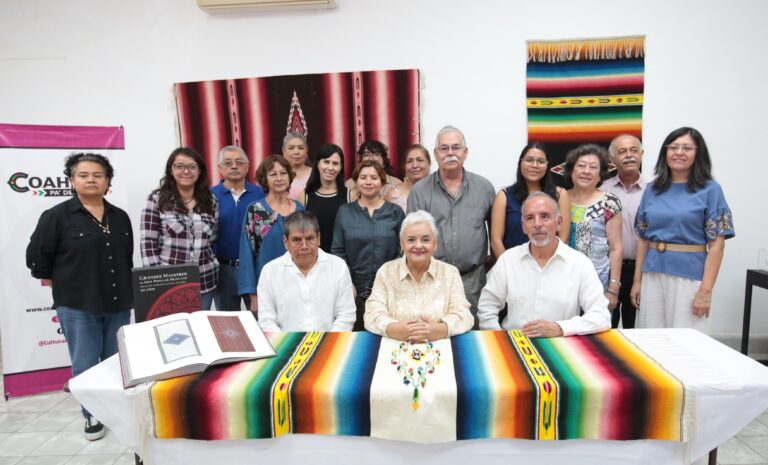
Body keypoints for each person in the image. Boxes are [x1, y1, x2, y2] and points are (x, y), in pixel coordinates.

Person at [26, 153, 133, 441]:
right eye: (83, 175)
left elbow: (126, 258)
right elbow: (36, 257)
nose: (91, 180)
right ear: (72, 181)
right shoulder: (56, 217)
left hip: (118, 302)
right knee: (86, 364)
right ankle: (92, 414)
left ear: (107, 180)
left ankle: (114, 409)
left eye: (98, 175)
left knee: (115, 362)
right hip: (78, 304)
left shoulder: (119, 216)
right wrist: (54, 280)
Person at [631, 127, 734, 332]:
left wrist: (705, 291)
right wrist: (637, 281)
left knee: (686, 342)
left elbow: (717, 245)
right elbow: (643, 239)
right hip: (652, 273)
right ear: (665, 152)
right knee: (651, 339)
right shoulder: (652, 189)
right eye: (673, 147)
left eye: (687, 148)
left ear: (698, 154)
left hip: (688, 275)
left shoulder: (710, 190)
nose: (679, 152)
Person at [478, 192, 611, 336]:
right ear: (523, 226)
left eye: (545, 216)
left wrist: (560, 328)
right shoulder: (508, 260)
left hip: (562, 344)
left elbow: (601, 317)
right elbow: (487, 307)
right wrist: (499, 339)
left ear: (559, 222)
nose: (537, 224)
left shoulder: (579, 263)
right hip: (515, 344)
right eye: (530, 218)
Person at [407, 125, 495, 323]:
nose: (450, 153)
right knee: (433, 334)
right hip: (431, 280)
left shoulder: (485, 188)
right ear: (436, 154)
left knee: (470, 336)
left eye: (456, 147)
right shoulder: (419, 191)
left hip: (472, 281)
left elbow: (496, 233)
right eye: (444, 148)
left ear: (465, 152)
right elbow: (411, 240)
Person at [365, 210, 473, 341]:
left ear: (435, 244)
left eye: (426, 240)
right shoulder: (386, 272)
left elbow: (464, 315)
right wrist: (393, 329)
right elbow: (371, 314)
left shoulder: (450, 273)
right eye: (411, 240)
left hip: (440, 349)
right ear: (401, 244)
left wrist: (441, 329)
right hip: (394, 349)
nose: (418, 245)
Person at [141, 147, 219, 309]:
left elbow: (212, 238)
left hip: (204, 280)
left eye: (192, 166)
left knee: (200, 330)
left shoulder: (211, 201)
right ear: (171, 170)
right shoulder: (157, 199)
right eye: (179, 166)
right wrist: (157, 281)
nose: (186, 171)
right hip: (170, 282)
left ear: (199, 171)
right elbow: (148, 243)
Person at [332, 160, 405, 330]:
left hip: (390, 293)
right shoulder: (345, 211)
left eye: (374, 177)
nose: (368, 182)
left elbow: (403, 251)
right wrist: (348, 282)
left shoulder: (395, 212)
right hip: (352, 293)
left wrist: (391, 280)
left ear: (382, 182)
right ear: (356, 182)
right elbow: (337, 250)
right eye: (363, 177)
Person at [257, 211, 355, 332]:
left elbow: (346, 315)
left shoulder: (338, 266)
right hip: (284, 346)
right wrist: (286, 346)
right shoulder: (270, 272)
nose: (304, 246)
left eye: (309, 238)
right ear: (285, 241)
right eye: (297, 240)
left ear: (319, 238)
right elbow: (267, 321)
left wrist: (326, 344)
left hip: (330, 345)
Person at [239, 154, 304, 313]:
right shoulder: (255, 210)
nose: (279, 178)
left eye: (283, 173)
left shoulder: (299, 209)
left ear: (290, 177)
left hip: (298, 288)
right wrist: (253, 296)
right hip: (266, 289)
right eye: (272, 174)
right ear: (264, 179)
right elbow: (246, 254)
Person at [565, 144, 622, 312]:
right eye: (581, 166)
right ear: (571, 171)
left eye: (593, 167)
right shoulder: (558, 198)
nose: (586, 171)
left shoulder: (609, 202)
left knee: (595, 333)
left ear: (600, 174)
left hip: (598, 281)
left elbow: (616, 248)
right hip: (562, 279)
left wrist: (613, 288)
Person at [490, 142, 570, 257]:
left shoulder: (560, 195)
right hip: (513, 267)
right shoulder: (504, 196)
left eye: (541, 161)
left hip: (550, 265)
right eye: (529, 160)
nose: (535, 165)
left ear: (547, 166)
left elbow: (564, 238)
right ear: (520, 163)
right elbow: (496, 241)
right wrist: (508, 268)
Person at [211, 145, 264, 311]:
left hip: (255, 269)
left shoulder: (261, 195)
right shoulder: (209, 196)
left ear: (247, 167)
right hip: (223, 270)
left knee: (260, 320)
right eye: (228, 162)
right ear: (219, 168)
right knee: (227, 326)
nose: (234, 166)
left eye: (239, 162)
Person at [602, 134, 646, 328]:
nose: (629, 155)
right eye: (622, 151)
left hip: (642, 270)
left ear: (642, 154)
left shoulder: (654, 191)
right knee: (606, 325)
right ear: (611, 159)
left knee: (636, 328)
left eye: (634, 150)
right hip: (610, 270)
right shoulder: (602, 190)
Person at [297, 143, 350, 252]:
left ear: (340, 167)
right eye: (326, 162)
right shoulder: (304, 195)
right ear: (317, 164)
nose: (330, 167)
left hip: (342, 259)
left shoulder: (351, 195)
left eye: (335, 163)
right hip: (313, 258)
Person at [385, 143, 432, 211]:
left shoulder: (439, 191)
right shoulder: (393, 194)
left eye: (420, 160)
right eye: (409, 161)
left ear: (429, 163)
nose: (414, 165)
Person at [283, 131, 312, 201]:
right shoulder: (277, 175)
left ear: (307, 151)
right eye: (291, 148)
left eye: (301, 148)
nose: (296, 152)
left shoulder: (316, 173)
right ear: (283, 151)